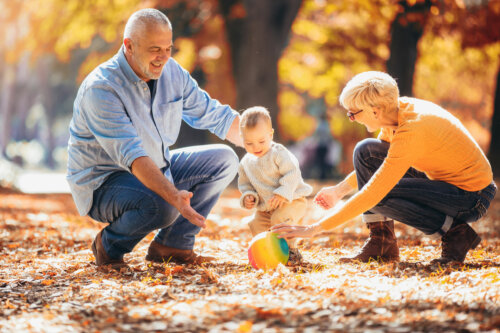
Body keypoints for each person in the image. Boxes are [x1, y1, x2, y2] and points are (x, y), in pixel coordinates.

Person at [67, 8, 243, 270]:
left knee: (224, 159)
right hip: (104, 182)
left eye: (168, 48)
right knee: (163, 204)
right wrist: (174, 196)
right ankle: (109, 246)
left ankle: (172, 246)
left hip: (157, 166)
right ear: (129, 46)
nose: (163, 58)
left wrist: (262, 144)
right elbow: (134, 157)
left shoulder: (172, 73)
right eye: (154, 49)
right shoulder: (102, 88)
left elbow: (213, 114)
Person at [272, 71, 497, 265]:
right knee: (366, 151)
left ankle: (455, 233)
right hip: (445, 185)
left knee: (380, 194)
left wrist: (315, 228)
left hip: (471, 197)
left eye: (353, 113)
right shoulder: (395, 115)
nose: (350, 118)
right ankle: (382, 243)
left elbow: (375, 189)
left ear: (375, 111)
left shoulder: (413, 128)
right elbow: (377, 169)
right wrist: (338, 191)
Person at [238, 107, 312, 265]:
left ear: (270, 135)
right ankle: (268, 251)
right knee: (256, 224)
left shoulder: (278, 153)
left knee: (279, 220)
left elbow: (292, 173)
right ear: (241, 139)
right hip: (266, 207)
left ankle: (292, 251)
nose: (256, 147)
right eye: (249, 143)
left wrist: (282, 192)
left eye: (261, 141)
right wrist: (248, 196)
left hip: (292, 200)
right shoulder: (245, 162)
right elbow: (245, 184)